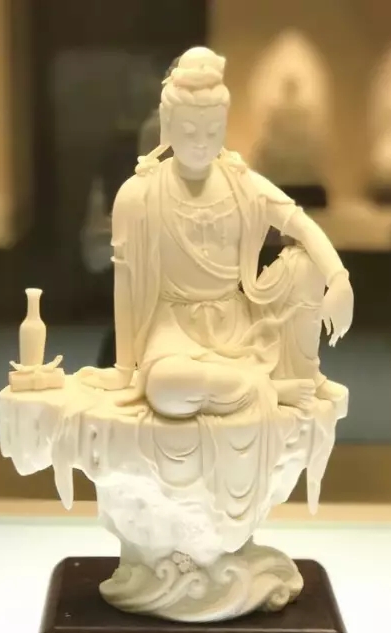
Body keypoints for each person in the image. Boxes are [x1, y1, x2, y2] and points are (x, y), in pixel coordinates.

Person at [80, 46, 352, 423]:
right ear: (168, 125)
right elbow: (125, 285)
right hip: (174, 329)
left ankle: (292, 376)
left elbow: (301, 224)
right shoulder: (140, 194)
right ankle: (268, 389)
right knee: (168, 388)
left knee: (306, 265)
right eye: (189, 130)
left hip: (238, 324)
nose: (200, 142)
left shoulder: (240, 182)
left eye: (212, 131)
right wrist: (125, 369)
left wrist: (339, 278)